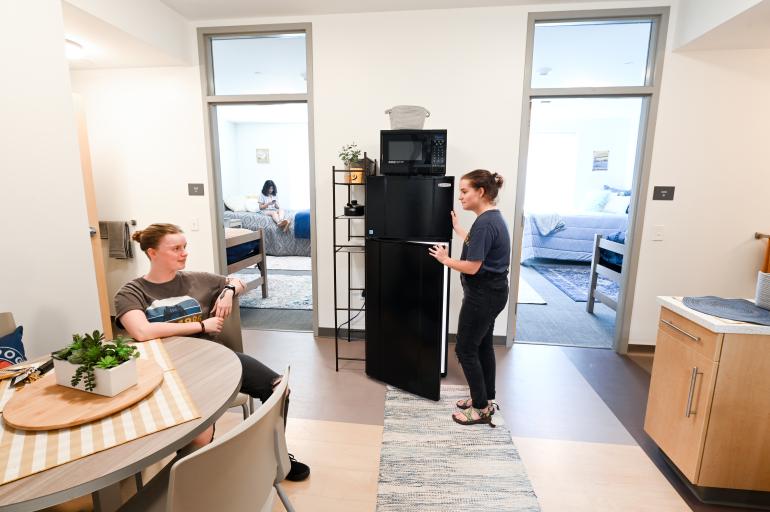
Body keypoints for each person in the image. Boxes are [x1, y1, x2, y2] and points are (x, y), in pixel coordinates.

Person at [114, 223, 309, 480]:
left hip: (215, 359)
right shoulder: (132, 292)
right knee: (200, 434)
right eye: (175, 248)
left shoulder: (198, 280)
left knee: (279, 388)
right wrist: (201, 325)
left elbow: (238, 281)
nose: (184, 253)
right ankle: (187, 483)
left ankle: (275, 456)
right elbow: (141, 332)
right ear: (152, 253)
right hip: (169, 370)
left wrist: (228, 291)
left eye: (185, 247)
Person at [428, 170, 510, 426]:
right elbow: (479, 246)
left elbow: (473, 266)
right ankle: (486, 398)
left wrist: (445, 260)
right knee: (483, 345)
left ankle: (481, 407)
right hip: (494, 292)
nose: (460, 197)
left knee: (465, 349)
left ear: (481, 192)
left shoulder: (485, 222)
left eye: (464, 191)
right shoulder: (491, 218)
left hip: (483, 295)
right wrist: (459, 230)